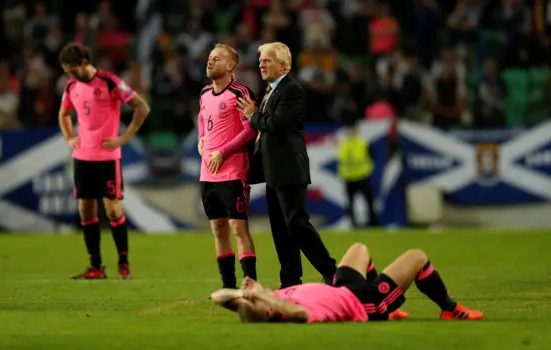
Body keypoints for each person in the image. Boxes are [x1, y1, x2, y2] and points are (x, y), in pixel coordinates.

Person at [236, 42, 337, 288]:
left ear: (283, 64)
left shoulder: (291, 89)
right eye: (260, 60)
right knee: (281, 228)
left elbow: (277, 123)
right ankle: (290, 280)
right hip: (273, 170)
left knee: (296, 223)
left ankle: (331, 272)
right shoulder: (269, 91)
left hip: (289, 168)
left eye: (267, 60)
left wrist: (253, 116)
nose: (261, 64)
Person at [57, 42, 150, 279]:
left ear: (85, 63)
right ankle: (96, 267)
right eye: (67, 70)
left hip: (107, 157)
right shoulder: (71, 87)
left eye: (72, 69)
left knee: (112, 210)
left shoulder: (110, 82)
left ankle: (123, 262)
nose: (70, 74)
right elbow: (63, 114)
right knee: (86, 212)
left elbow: (142, 107)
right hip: (82, 156)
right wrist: (69, 137)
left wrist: (124, 138)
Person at [210, 243, 484, 323]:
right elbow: (297, 312)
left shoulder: (272, 303)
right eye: (258, 300)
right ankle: (450, 309)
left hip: (342, 288)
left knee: (359, 249)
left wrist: (245, 294)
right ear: (270, 310)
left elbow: (216, 296)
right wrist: (266, 296)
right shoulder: (291, 312)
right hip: (363, 303)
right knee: (417, 257)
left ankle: (391, 310)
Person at [199, 44, 258, 288]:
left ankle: (251, 285)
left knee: (238, 228)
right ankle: (228, 286)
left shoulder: (241, 93)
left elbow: (251, 129)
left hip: (233, 171)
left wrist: (222, 152)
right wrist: (201, 139)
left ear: (231, 66)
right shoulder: (203, 93)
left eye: (217, 59)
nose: (210, 62)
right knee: (218, 228)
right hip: (208, 173)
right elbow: (202, 119)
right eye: (210, 58)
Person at [338, 121, 379, 227]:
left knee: (367, 201)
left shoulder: (360, 143)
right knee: (353, 202)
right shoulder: (349, 143)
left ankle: (372, 222)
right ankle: (354, 223)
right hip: (352, 177)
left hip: (360, 176)